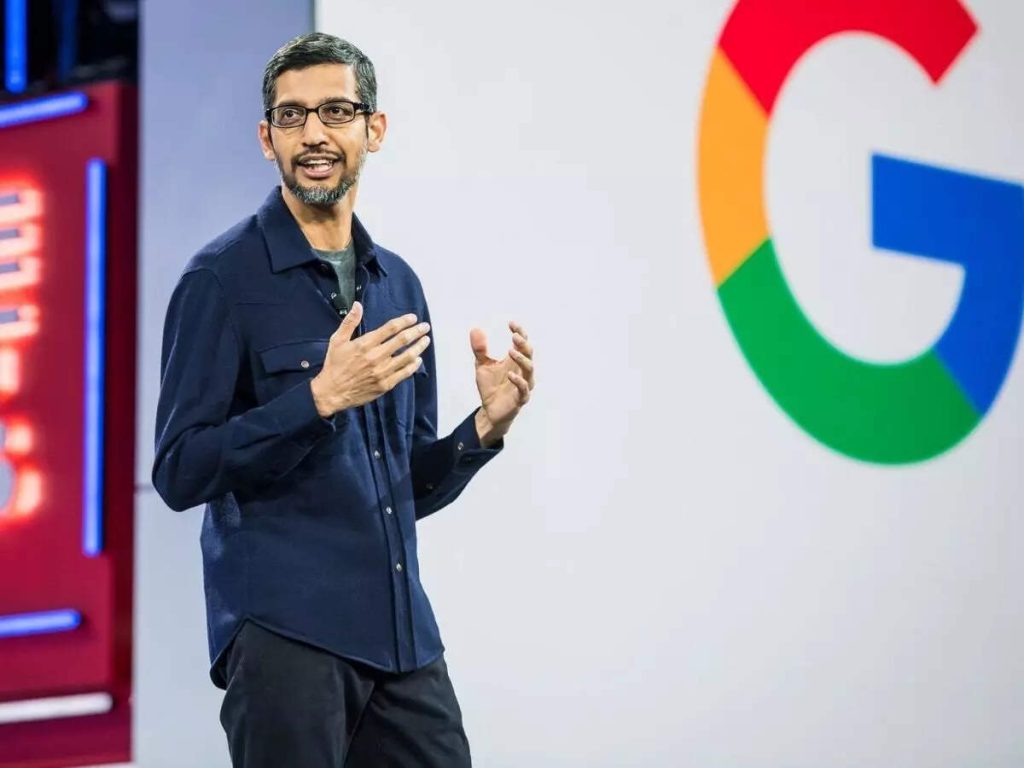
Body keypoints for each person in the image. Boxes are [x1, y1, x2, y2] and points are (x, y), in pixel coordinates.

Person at [152, 32, 535, 768]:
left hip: (402, 642)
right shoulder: (222, 279)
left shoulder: (398, 284)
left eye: (335, 111)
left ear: (374, 129)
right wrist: (318, 399)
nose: (314, 134)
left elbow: (402, 488)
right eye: (291, 116)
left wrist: (482, 430)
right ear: (267, 139)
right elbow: (179, 469)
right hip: (286, 635)